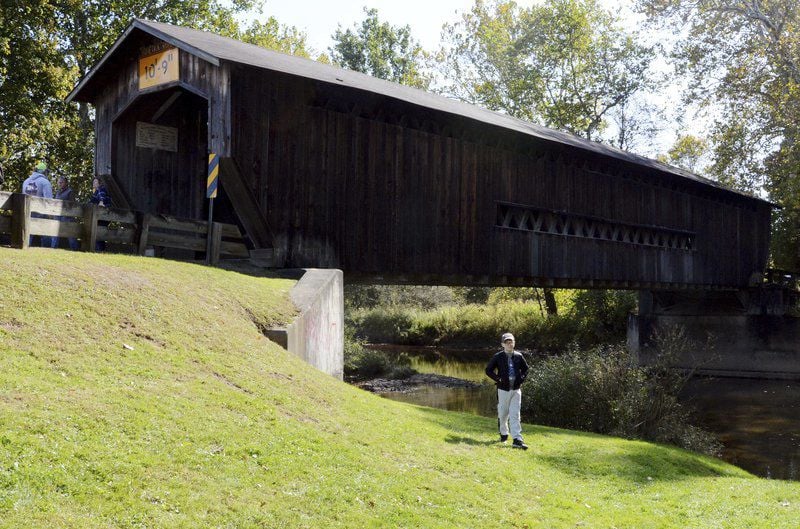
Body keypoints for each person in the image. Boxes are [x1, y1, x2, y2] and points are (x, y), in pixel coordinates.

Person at [485, 332, 529, 450]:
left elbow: (526, 369)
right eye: (507, 342)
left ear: (514, 343)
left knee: (515, 414)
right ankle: (504, 434)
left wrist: (521, 379)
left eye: (511, 342)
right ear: (502, 344)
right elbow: (488, 370)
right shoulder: (498, 356)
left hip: (516, 390)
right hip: (503, 390)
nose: (510, 344)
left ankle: (517, 440)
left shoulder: (519, 356)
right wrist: (498, 379)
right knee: (503, 414)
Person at [21, 162, 54, 247]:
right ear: (44, 172)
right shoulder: (45, 182)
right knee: (46, 232)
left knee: (28, 232)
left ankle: (24, 247)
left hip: (27, 211)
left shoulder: (26, 181)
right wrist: (50, 214)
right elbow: (49, 200)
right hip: (41, 212)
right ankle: (46, 252)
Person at [53, 175, 79, 250]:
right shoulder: (58, 192)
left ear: (66, 183)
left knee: (70, 235)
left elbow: (72, 205)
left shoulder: (70, 192)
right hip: (57, 216)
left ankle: (75, 250)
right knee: (55, 234)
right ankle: (53, 249)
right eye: (59, 182)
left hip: (67, 217)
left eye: (62, 182)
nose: (60, 183)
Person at [89, 177, 112, 251]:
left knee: (98, 233)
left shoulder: (100, 189)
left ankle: (99, 250)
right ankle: (100, 250)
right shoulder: (96, 191)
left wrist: (101, 202)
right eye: (93, 182)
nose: (93, 183)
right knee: (100, 233)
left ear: (99, 183)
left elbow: (102, 199)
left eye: (95, 182)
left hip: (103, 215)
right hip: (104, 215)